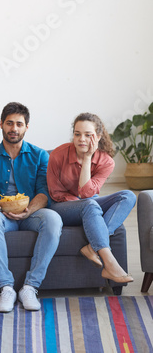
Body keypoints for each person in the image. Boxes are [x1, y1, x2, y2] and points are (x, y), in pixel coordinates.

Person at [0, 102, 63, 313]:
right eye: (9, 123)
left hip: (31, 213)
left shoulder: (41, 156)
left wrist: (29, 211)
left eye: (19, 124)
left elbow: (44, 191)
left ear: (26, 127)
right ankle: (6, 287)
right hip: (1, 215)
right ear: (1, 125)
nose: (14, 128)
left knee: (53, 219)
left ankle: (31, 287)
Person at [47, 112, 136, 284]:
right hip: (61, 207)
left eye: (88, 135)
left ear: (99, 137)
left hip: (89, 205)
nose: (81, 139)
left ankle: (92, 246)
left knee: (128, 195)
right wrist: (82, 203)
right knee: (89, 204)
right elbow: (55, 193)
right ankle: (110, 264)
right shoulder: (58, 155)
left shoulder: (107, 162)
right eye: (77, 134)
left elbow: (86, 194)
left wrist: (87, 159)